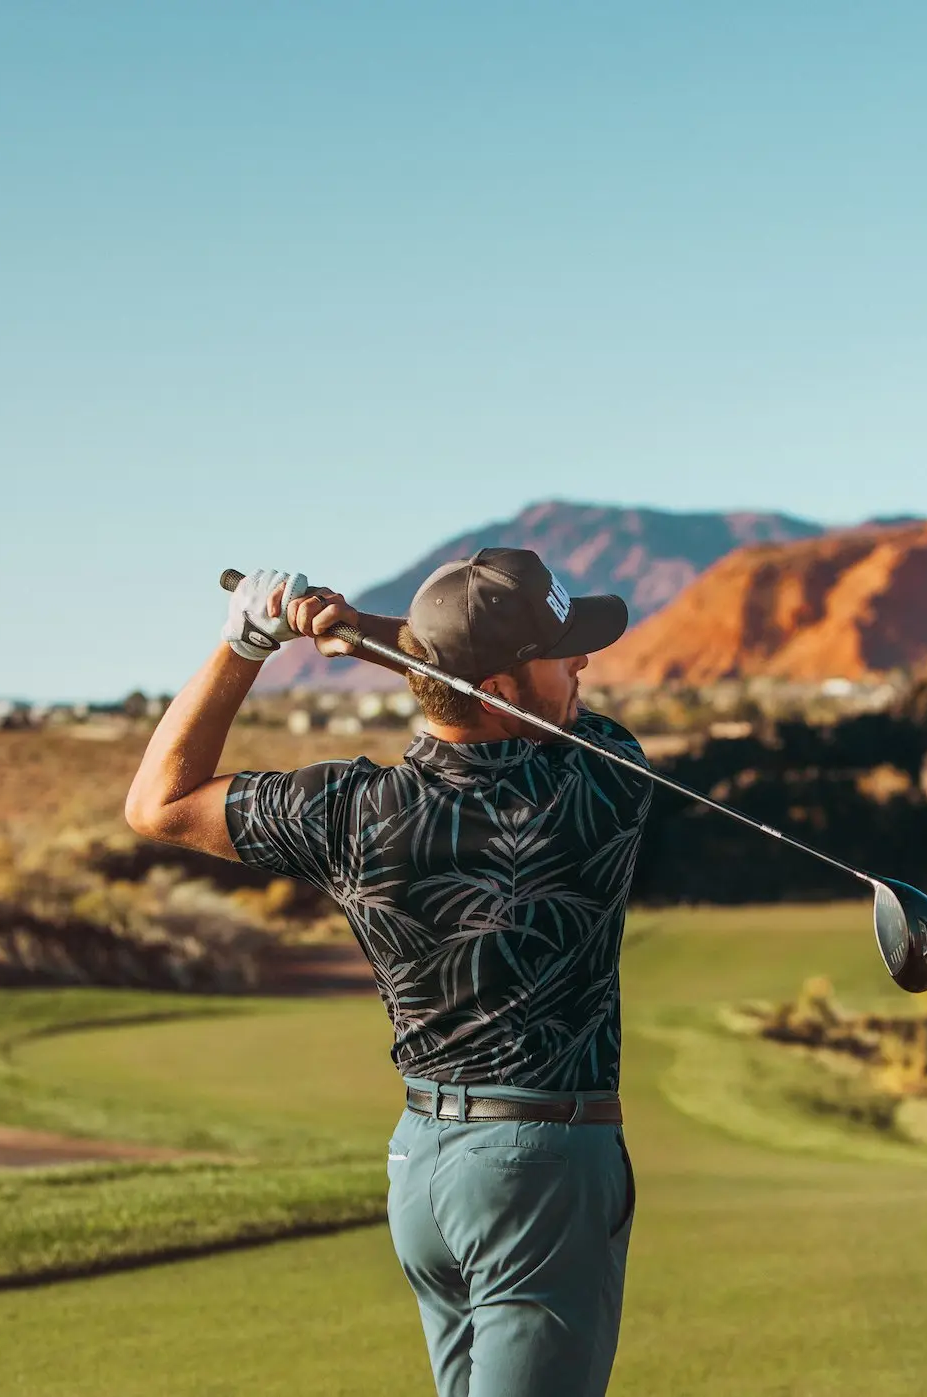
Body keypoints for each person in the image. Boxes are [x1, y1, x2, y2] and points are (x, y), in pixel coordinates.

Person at [124, 547, 651, 1397]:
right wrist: (369, 633)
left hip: (424, 1167)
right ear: (502, 688)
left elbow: (158, 802)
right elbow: (547, 716)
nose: (582, 663)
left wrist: (245, 645)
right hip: (542, 1172)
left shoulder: (352, 813)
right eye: (561, 654)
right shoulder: (598, 779)